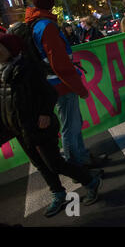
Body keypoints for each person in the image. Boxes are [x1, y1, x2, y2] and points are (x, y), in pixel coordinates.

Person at [0, 33, 102, 217]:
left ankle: (90, 181)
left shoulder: (27, 68)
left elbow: (49, 93)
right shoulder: (2, 72)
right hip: (19, 128)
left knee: (55, 163)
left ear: (10, 49)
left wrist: (45, 113)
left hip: (39, 125)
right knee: (39, 164)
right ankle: (58, 193)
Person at [24, 0, 106, 169]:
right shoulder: (46, 26)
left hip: (57, 83)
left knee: (74, 125)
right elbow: (60, 63)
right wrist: (79, 87)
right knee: (70, 127)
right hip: (62, 84)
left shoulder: (37, 23)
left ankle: (82, 157)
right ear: (48, 1)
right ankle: (78, 165)